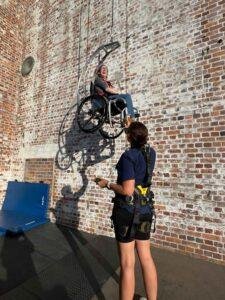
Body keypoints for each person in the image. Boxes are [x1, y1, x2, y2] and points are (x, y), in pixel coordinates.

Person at [95, 122, 157, 300]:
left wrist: (107, 184)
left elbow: (128, 190)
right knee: (146, 258)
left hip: (128, 213)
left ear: (129, 136)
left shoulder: (128, 156)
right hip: (145, 209)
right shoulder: (150, 153)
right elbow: (139, 133)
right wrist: (131, 125)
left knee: (127, 263)